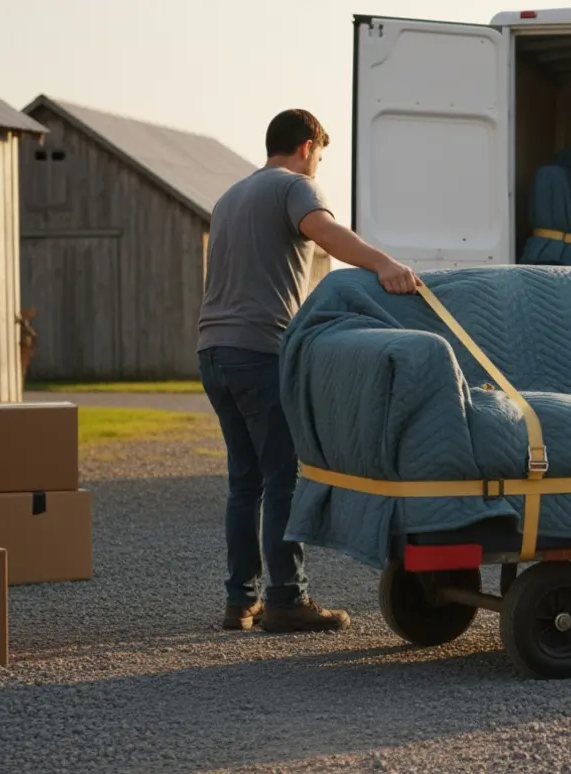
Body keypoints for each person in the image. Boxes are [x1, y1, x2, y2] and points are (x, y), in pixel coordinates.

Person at [197, 108, 421, 632]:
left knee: (243, 482)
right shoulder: (294, 187)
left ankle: (239, 600)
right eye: (318, 155)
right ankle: (285, 599)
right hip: (259, 351)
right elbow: (324, 232)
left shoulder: (230, 196)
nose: (317, 165)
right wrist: (384, 265)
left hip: (212, 350)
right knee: (282, 479)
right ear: (305, 147)